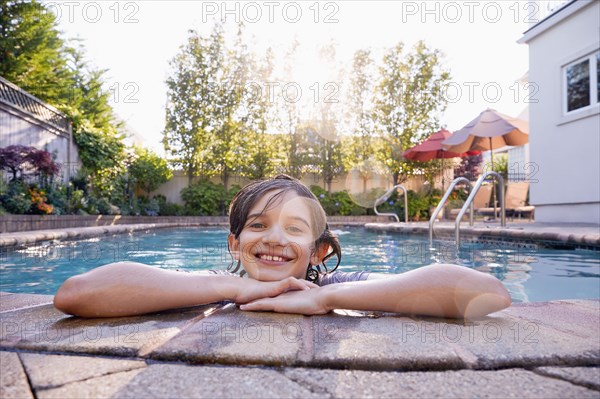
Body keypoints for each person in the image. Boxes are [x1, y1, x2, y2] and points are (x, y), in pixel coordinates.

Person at [54, 174, 511, 319]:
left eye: (295, 229)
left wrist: (326, 295)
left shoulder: (344, 284)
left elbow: (485, 291)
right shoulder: (214, 288)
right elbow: (76, 294)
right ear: (235, 245)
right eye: (258, 226)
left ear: (318, 252)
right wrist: (228, 288)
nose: (274, 239)